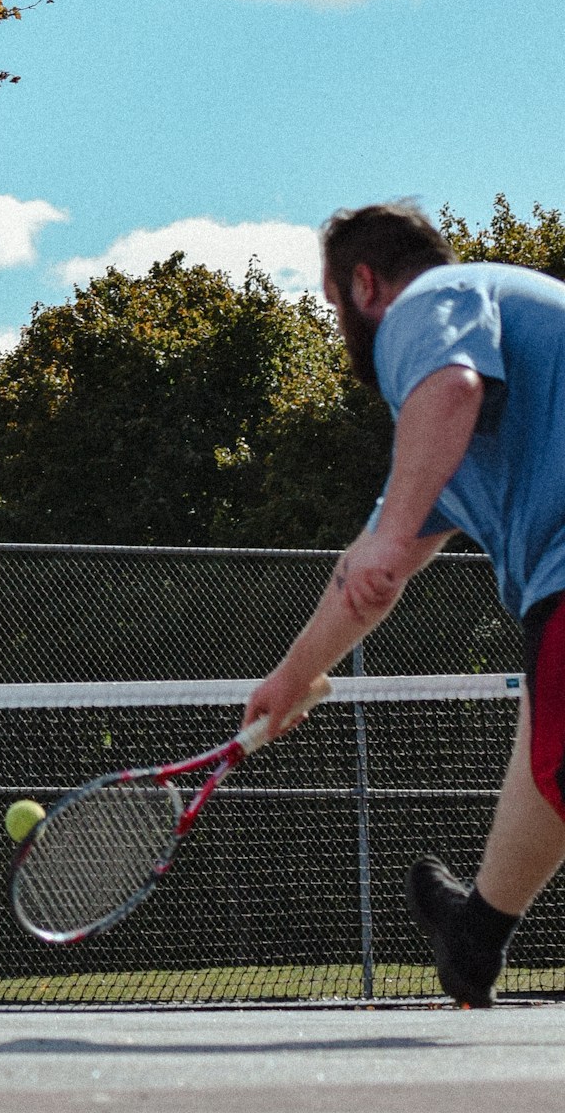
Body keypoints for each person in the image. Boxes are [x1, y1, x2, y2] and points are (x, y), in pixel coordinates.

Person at [243, 201, 565, 1006]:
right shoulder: (456, 444)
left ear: (364, 285)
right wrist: (292, 678)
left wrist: (388, 538)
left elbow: (450, 387)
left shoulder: (428, 301)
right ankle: (475, 936)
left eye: (333, 307)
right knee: (550, 742)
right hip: (553, 586)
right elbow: (367, 578)